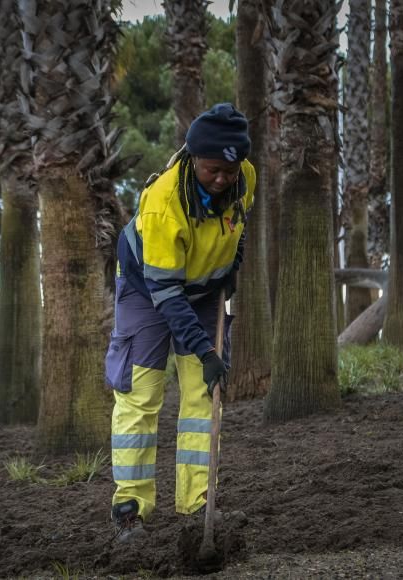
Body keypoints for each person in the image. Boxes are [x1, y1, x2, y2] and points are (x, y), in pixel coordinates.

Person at [104, 103, 256, 542]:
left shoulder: (245, 177)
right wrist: (206, 351)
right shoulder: (163, 203)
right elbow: (167, 295)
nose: (222, 178)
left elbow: (238, 225)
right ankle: (130, 509)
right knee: (140, 393)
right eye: (212, 170)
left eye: (229, 170)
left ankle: (198, 501)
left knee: (204, 394)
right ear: (193, 158)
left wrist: (233, 261)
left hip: (206, 290)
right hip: (147, 289)